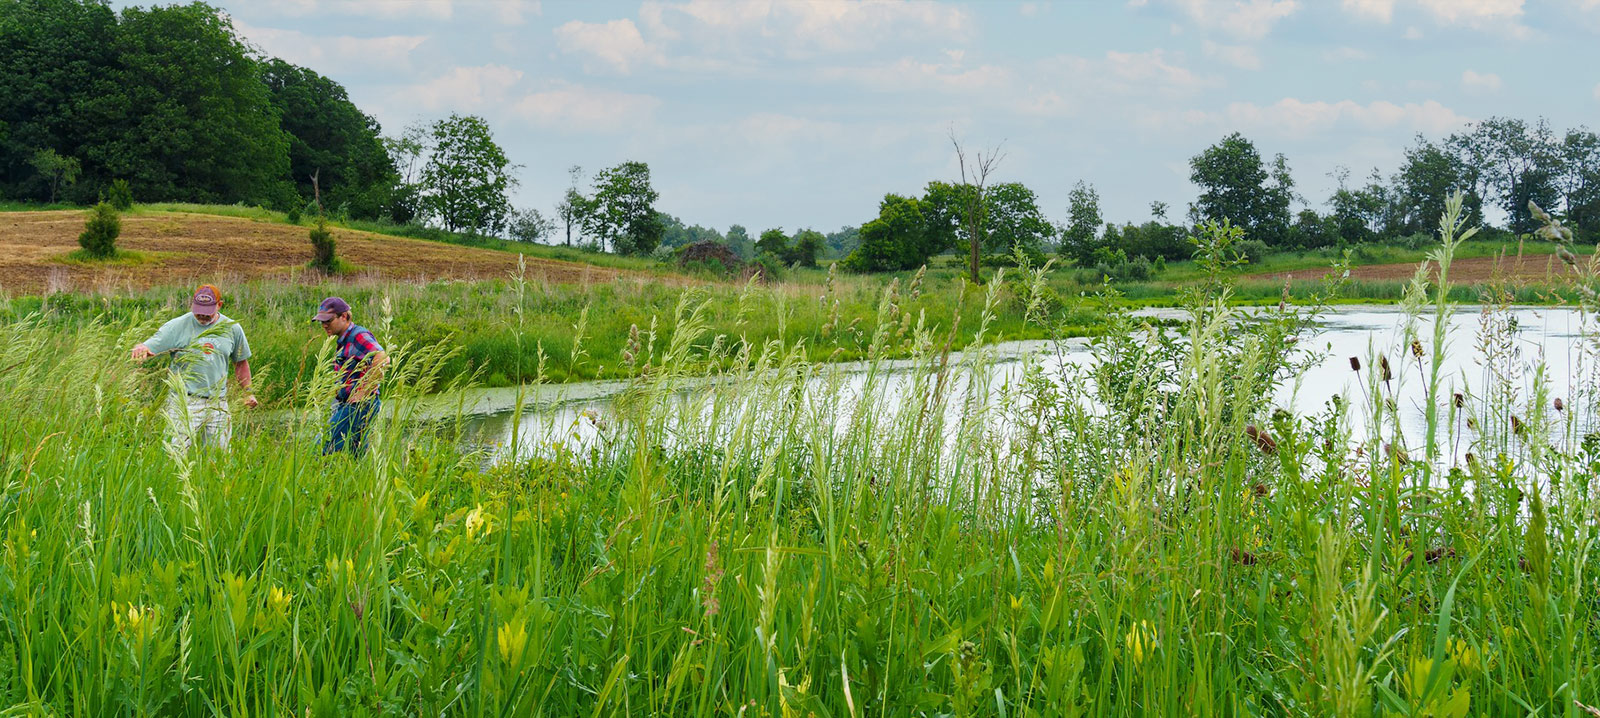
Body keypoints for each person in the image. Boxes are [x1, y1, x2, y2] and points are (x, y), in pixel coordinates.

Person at [130, 284, 257, 454]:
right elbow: (151, 344)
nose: (202, 315)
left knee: (219, 459)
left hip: (218, 403)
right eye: (199, 309)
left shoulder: (232, 329)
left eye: (208, 310)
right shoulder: (177, 326)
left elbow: (241, 363)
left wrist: (247, 392)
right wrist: (142, 348)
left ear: (219, 305)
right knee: (175, 456)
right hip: (184, 402)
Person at [313, 296, 388, 456]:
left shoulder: (357, 335)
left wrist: (362, 391)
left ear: (344, 317)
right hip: (350, 405)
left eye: (328, 320)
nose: (324, 325)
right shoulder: (343, 340)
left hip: (358, 406)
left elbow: (382, 358)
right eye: (321, 321)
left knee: (320, 449)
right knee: (354, 455)